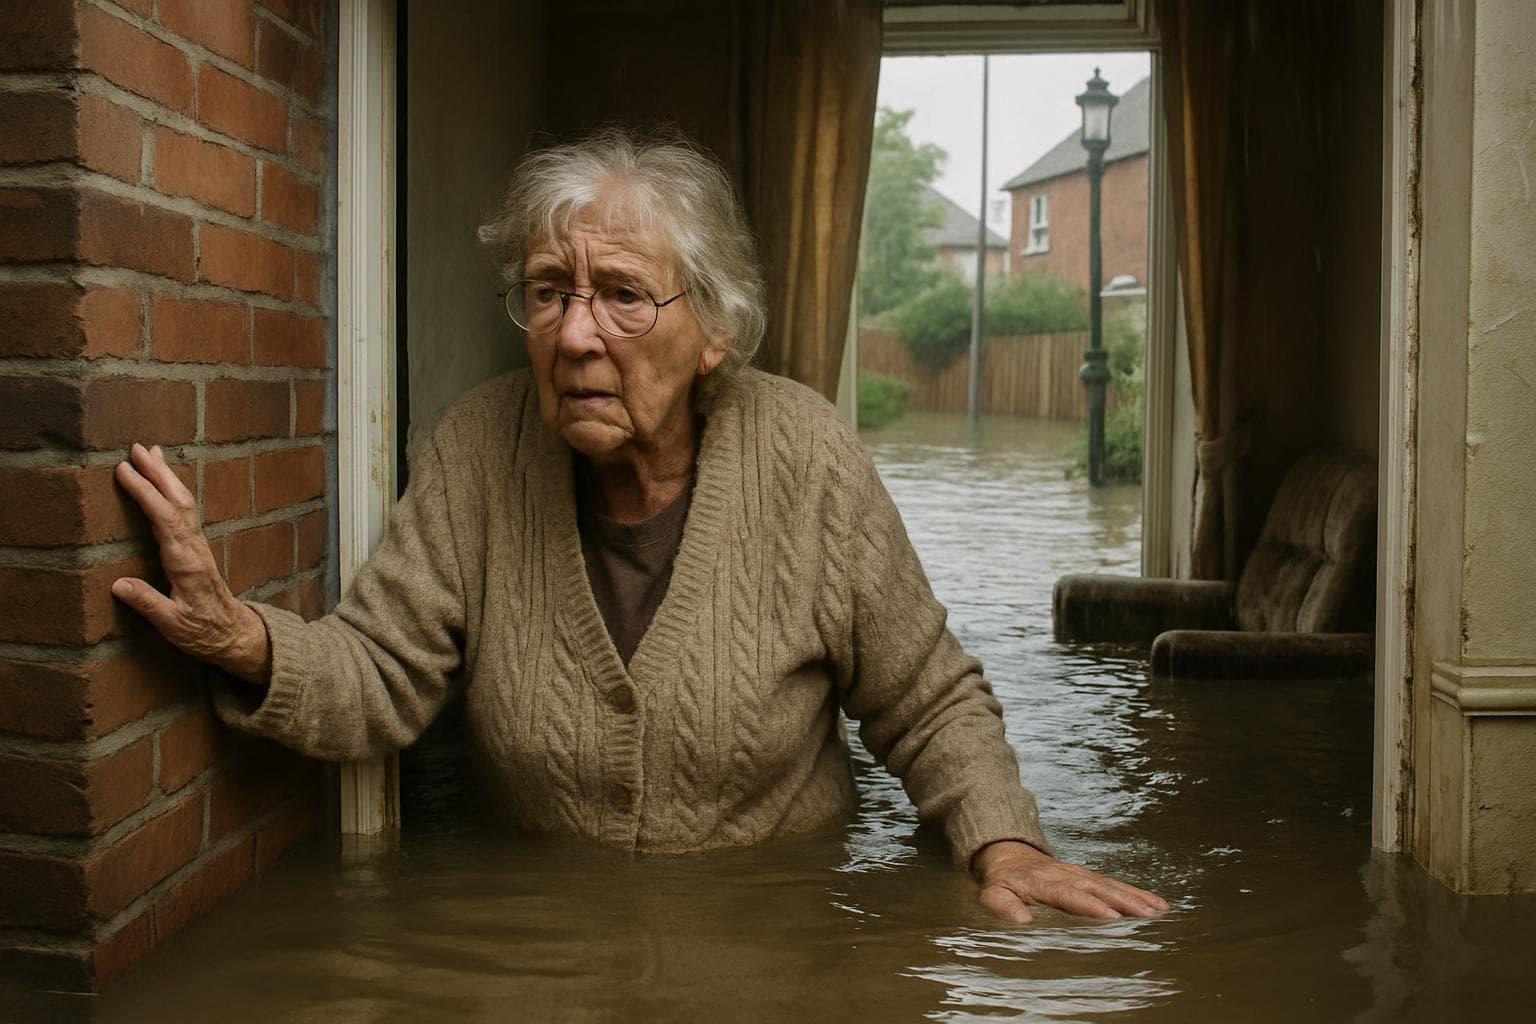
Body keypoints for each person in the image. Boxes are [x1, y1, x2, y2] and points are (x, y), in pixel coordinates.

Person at [112, 128, 1166, 926]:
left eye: (621, 295)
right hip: (544, 937)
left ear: (713, 330)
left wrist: (1004, 845)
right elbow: (380, 674)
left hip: (777, 919)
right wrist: (241, 638)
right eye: (547, 292)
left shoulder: (805, 456)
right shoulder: (481, 449)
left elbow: (928, 700)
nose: (574, 335)